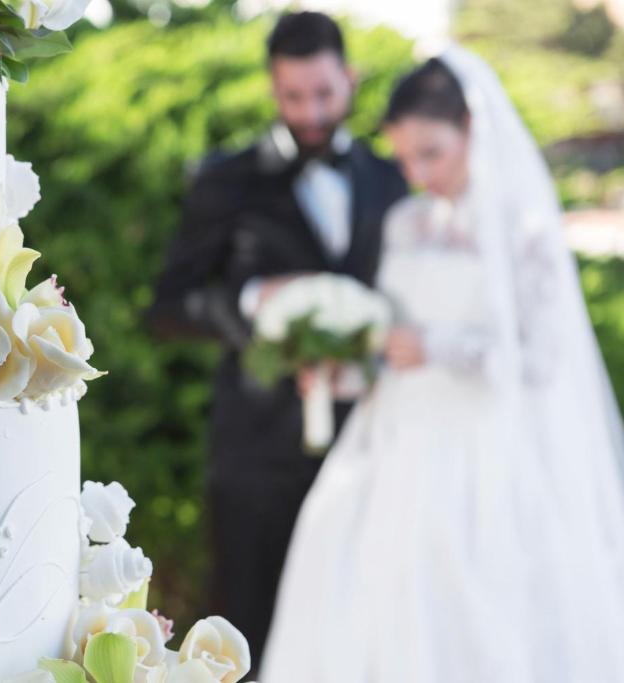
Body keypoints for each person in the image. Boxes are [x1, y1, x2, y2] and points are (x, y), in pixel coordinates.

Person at [259, 48, 624, 683]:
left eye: (432, 153)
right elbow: (389, 343)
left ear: (472, 131)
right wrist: (339, 371)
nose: (418, 173)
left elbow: (541, 360)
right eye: (405, 159)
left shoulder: (528, 233)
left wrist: (439, 347)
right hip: (391, 448)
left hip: (487, 454)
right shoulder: (405, 223)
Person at [145, 12, 406, 671]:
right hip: (256, 452)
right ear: (273, 87)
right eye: (293, 95)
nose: (310, 111)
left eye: (323, 93)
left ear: (348, 79)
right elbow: (169, 307)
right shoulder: (224, 179)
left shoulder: (387, 178)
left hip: (368, 444)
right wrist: (254, 300)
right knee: (247, 634)